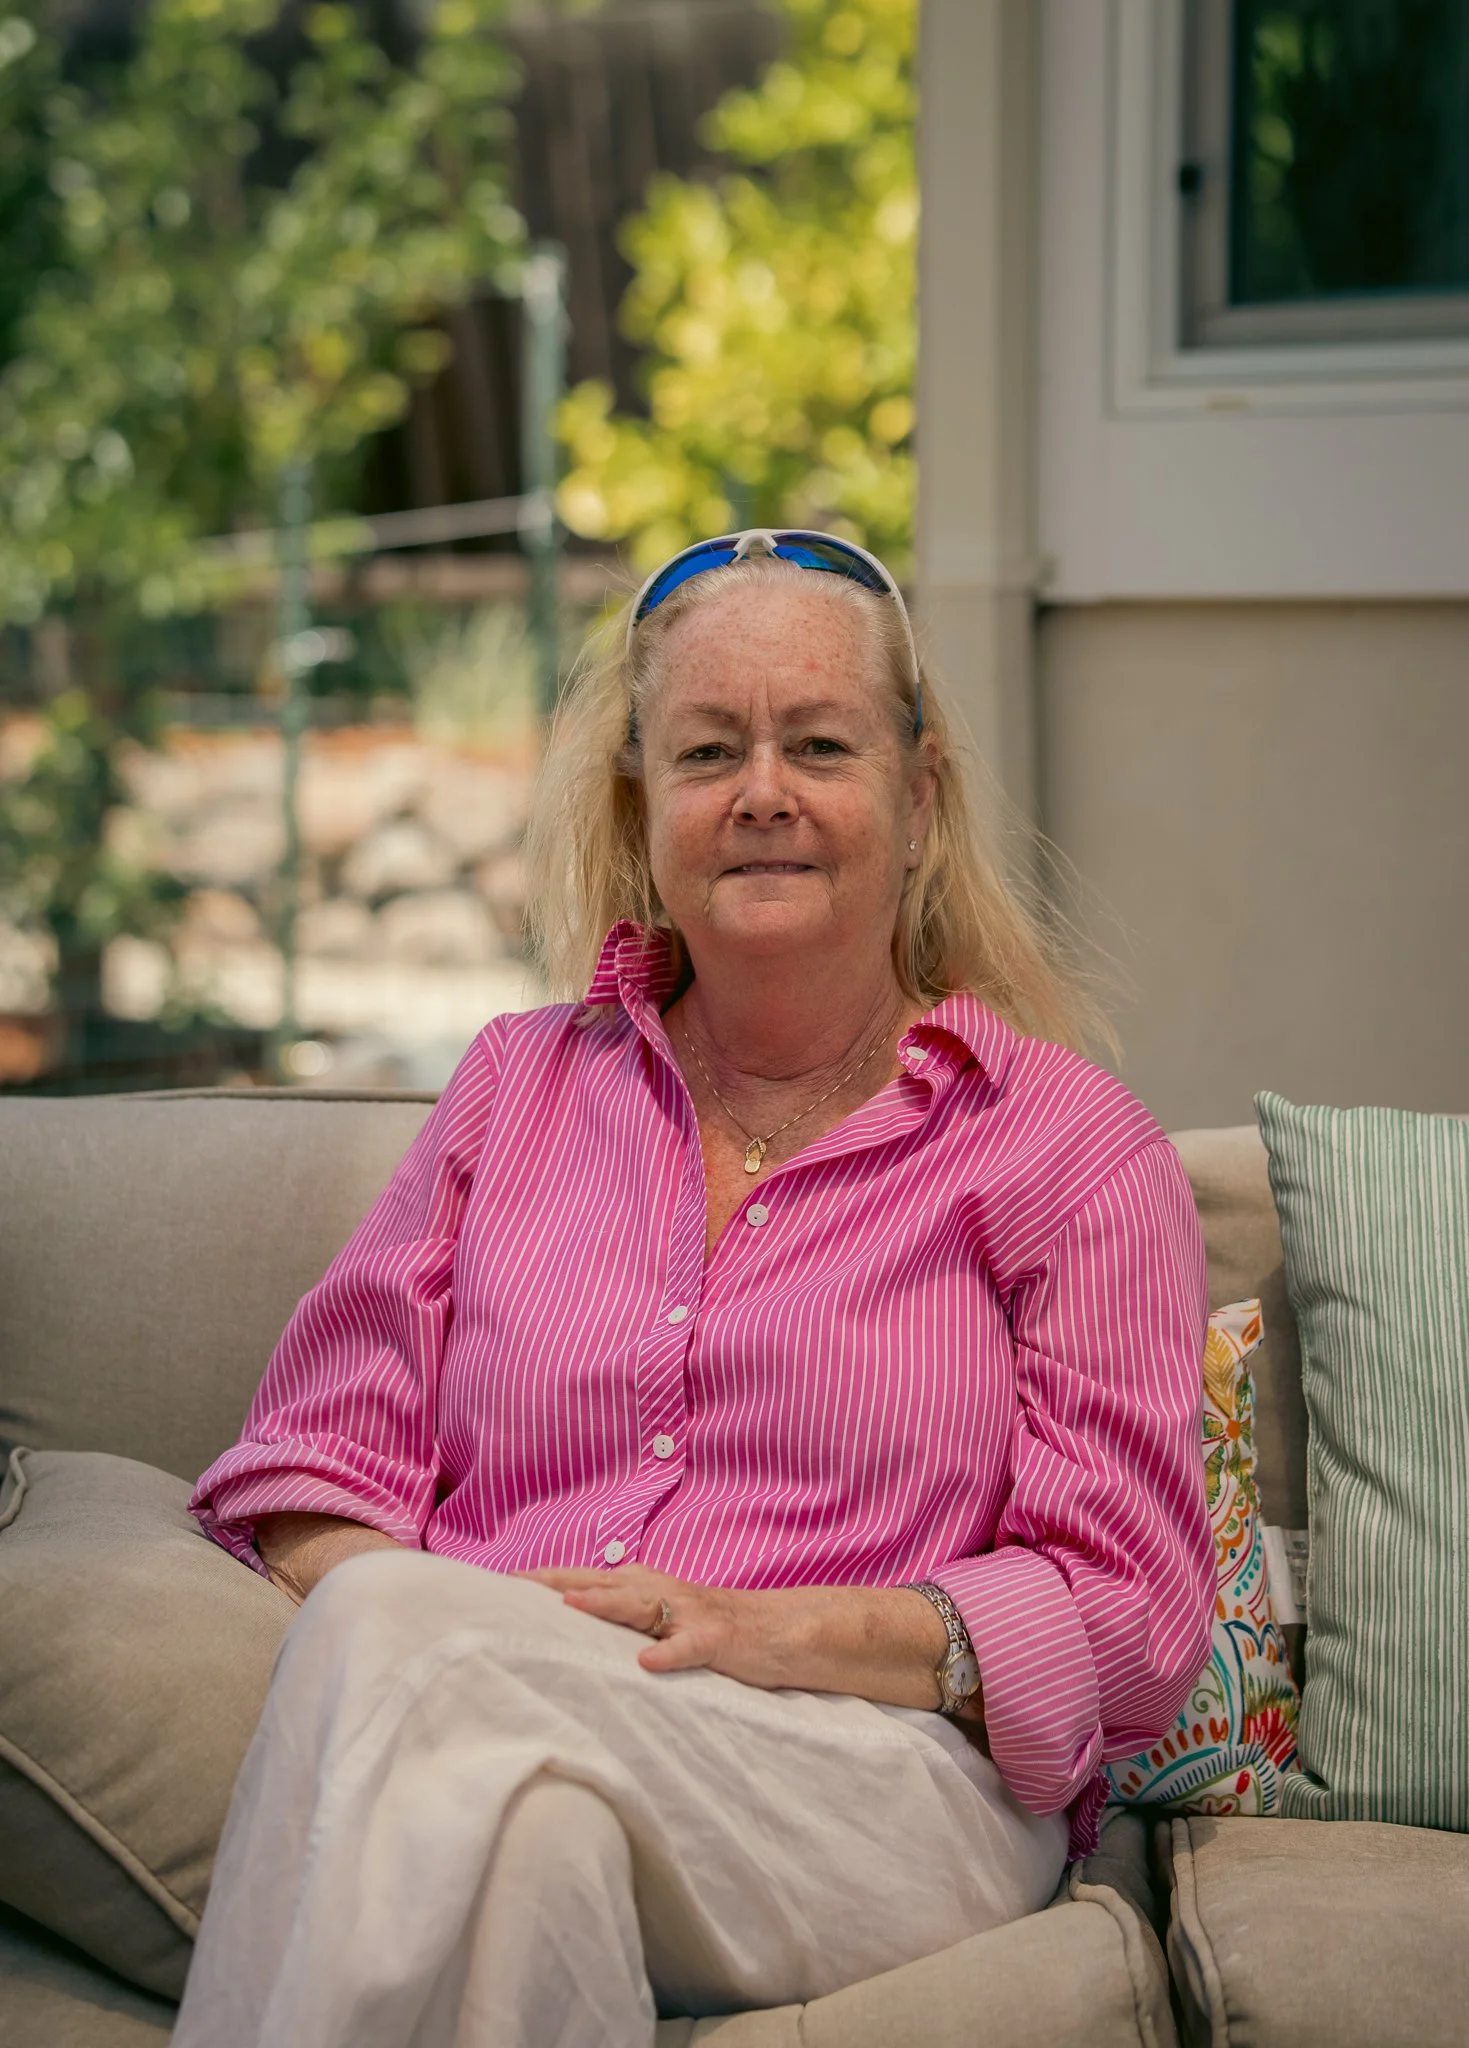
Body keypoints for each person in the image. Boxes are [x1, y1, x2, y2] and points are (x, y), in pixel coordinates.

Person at [175, 530, 1213, 2048]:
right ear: (641, 806)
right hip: (500, 1707)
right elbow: (312, 1468)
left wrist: (743, 1628)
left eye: (822, 744)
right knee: (531, 1850)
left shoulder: (1064, 1146)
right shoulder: (510, 1093)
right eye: (710, 749)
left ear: (918, 802)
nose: (765, 793)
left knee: (410, 1636)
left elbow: (1129, 1614)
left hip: (882, 1775)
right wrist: (504, 1637)